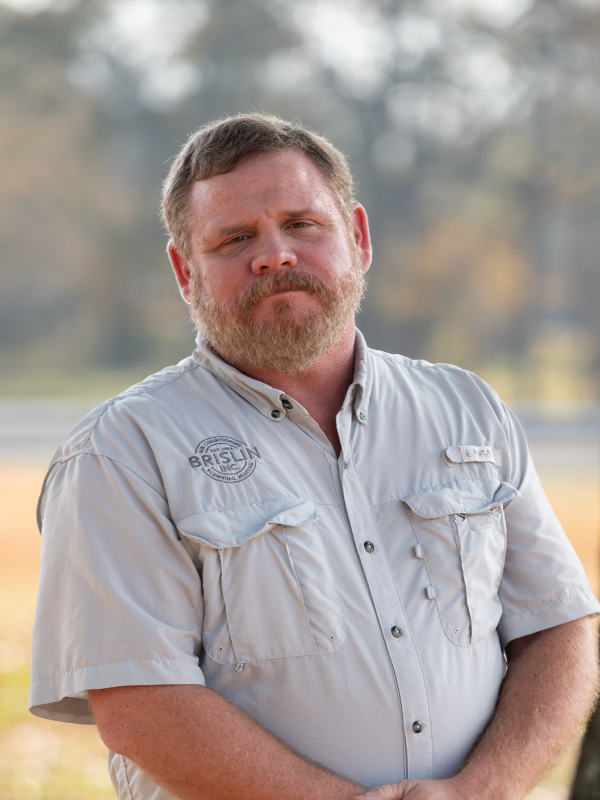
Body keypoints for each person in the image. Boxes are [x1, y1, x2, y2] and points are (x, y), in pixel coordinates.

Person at [30, 113, 599, 800]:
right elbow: (141, 706)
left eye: (302, 224)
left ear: (358, 237)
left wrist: (482, 789)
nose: (274, 256)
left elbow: (558, 627)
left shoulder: (467, 408)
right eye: (235, 238)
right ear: (185, 272)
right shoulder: (121, 453)